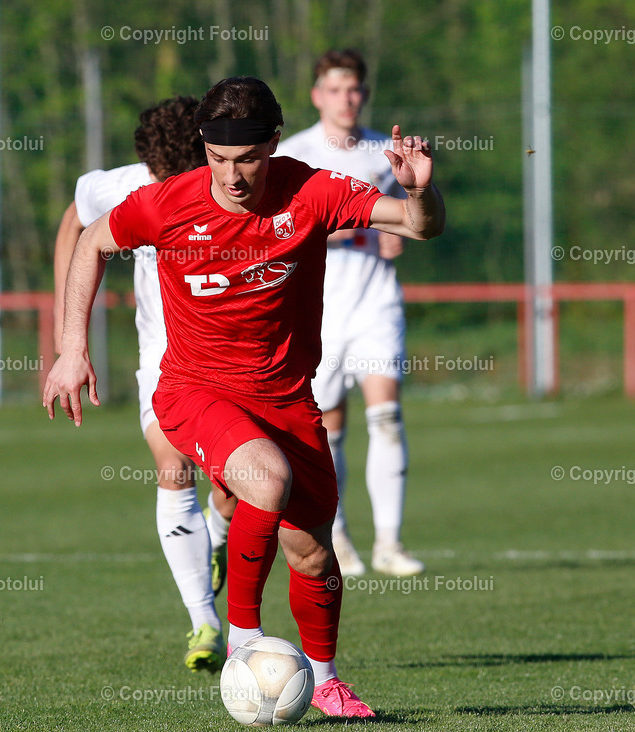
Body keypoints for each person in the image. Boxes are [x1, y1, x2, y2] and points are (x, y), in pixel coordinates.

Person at [42, 76, 444, 718]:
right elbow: (91, 241)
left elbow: (420, 227)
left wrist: (419, 188)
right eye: (218, 158)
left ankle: (325, 677)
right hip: (193, 390)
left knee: (312, 553)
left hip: (287, 399)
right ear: (203, 146)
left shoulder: (310, 190)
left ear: (273, 145)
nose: (232, 176)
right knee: (265, 477)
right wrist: (71, 346)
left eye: (248, 160)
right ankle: (244, 642)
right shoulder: (166, 203)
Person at [52, 96, 225, 671]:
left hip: (232, 356)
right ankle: (205, 621)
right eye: (163, 180)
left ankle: (217, 538)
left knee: (234, 486)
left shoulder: (231, 183)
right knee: (172, 462)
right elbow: (75, 221)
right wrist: (67, 336)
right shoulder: (126, 187)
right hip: (164, 357)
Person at [264, 48, 423, 578]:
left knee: (388, 417)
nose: (346, 99)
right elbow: (285, 229)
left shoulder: (384, 150)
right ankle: (339, 536)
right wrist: (365, 227)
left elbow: (410, 217)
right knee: (328, 429)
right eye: (335, 90)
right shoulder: (295, 154)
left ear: (364, 94)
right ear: (316, 96)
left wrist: (405, 226)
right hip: (320, 305)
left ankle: (391, 543)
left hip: (376, 301)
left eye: (353, 89)